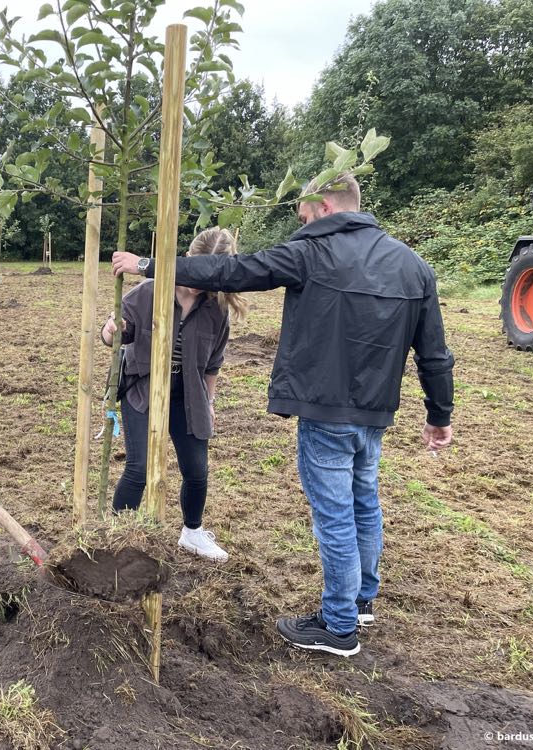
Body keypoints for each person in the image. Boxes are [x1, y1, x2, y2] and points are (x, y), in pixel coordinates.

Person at [112, 173, 454, 657]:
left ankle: (338, 626)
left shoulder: (311, 252)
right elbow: (435, 354)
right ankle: (360, 601)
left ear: (325, 207)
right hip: (374, 415)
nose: (302, 223)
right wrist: (440, 413)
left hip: (323, 408)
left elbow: (235, 272)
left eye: (305, 215)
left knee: (335, 514)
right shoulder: (414, 267)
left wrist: (150, 263)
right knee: (363, 504)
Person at [101, 228, 247, 563]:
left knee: (197, 470)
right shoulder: (148, 292)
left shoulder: (216, 309)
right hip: (143, 389)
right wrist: (112, 331)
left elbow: (213, 364)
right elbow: (115, 338)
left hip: (189, 395)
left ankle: (192, 534)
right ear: (186, 260)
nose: (199, 280)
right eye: (196, 269)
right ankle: (116, 539)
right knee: (138, 469)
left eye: (209, 275)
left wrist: (209, 403)